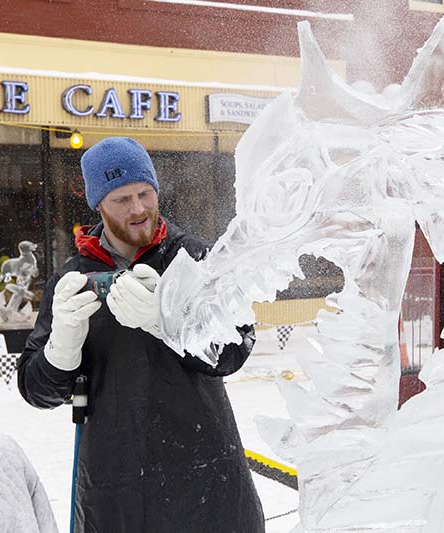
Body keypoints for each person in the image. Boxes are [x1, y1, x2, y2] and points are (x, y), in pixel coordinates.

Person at [17, 137, 264, 532]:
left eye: (145, 194)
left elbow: (234, 349)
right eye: (121, 199)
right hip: (115, 487)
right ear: (98, 203)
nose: (138, 209)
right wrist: (60, 349)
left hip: (206, 477)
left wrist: (169, 322)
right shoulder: (73, 278)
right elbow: (36, 390)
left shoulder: (195, 259)